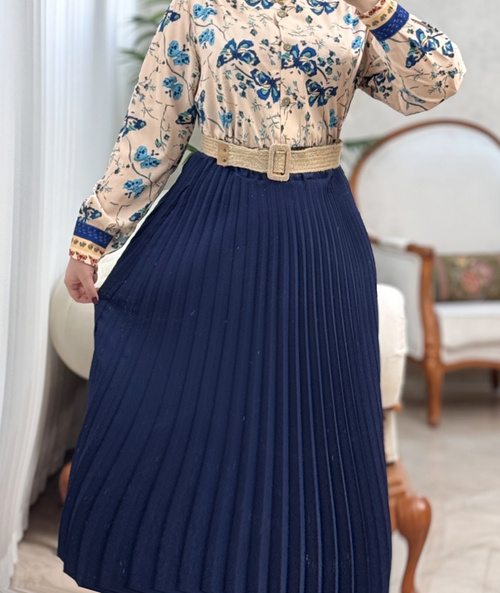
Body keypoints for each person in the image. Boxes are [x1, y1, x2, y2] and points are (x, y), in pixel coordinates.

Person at [57, 0, 465, 592]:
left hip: (319, 228)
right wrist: (92, 238)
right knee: (197, 413)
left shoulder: (352, 12)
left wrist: (376, 9)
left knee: (317, 422)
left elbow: (435, 83)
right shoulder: (198, 7)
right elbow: (153, 125)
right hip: (212, 217)